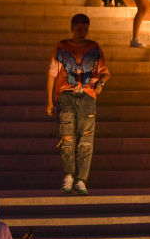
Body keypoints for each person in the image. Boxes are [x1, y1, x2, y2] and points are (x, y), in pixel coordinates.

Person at [46, 13, 110, 195]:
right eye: (79, 29)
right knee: (67, 136)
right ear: (72, 28)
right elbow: (51, 73)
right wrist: (49, 100)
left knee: (86, 139)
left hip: (88, 97)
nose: (82, 32)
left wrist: (101, 83)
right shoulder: (62, 47)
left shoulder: (94, 48)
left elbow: (105, 72)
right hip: (66, 95)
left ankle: (81, 179)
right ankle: (68, 174)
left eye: (85, 29)